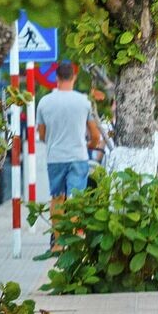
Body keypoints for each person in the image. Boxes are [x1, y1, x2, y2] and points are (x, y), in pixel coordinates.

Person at [36, 62, 104, 236]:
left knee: (57, 198)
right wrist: (90, 144)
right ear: (74, 77)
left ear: (56, 78)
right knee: (75, 200)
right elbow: (95, 135)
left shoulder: (45, 102)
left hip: (55, 158)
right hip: (78, 157)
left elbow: (42, 135)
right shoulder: (83, 102)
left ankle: (58, 242)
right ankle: (72, 239)